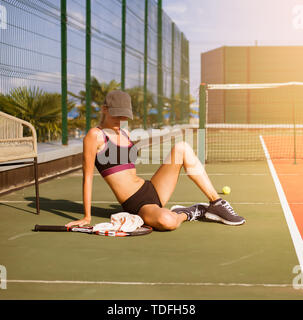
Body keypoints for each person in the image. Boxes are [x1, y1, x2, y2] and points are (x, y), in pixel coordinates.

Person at [66, 90, 245, 231]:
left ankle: (216, 203)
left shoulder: (125, 132)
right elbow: (87, 177)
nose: (120, 121)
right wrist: (87, 217)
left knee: (182, 147)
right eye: (116, 116)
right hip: (135, 204)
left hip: (151, 189)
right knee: (167, 221)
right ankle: (191, 212)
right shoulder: (94, 136)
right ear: (104, 109)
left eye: (124, 117)